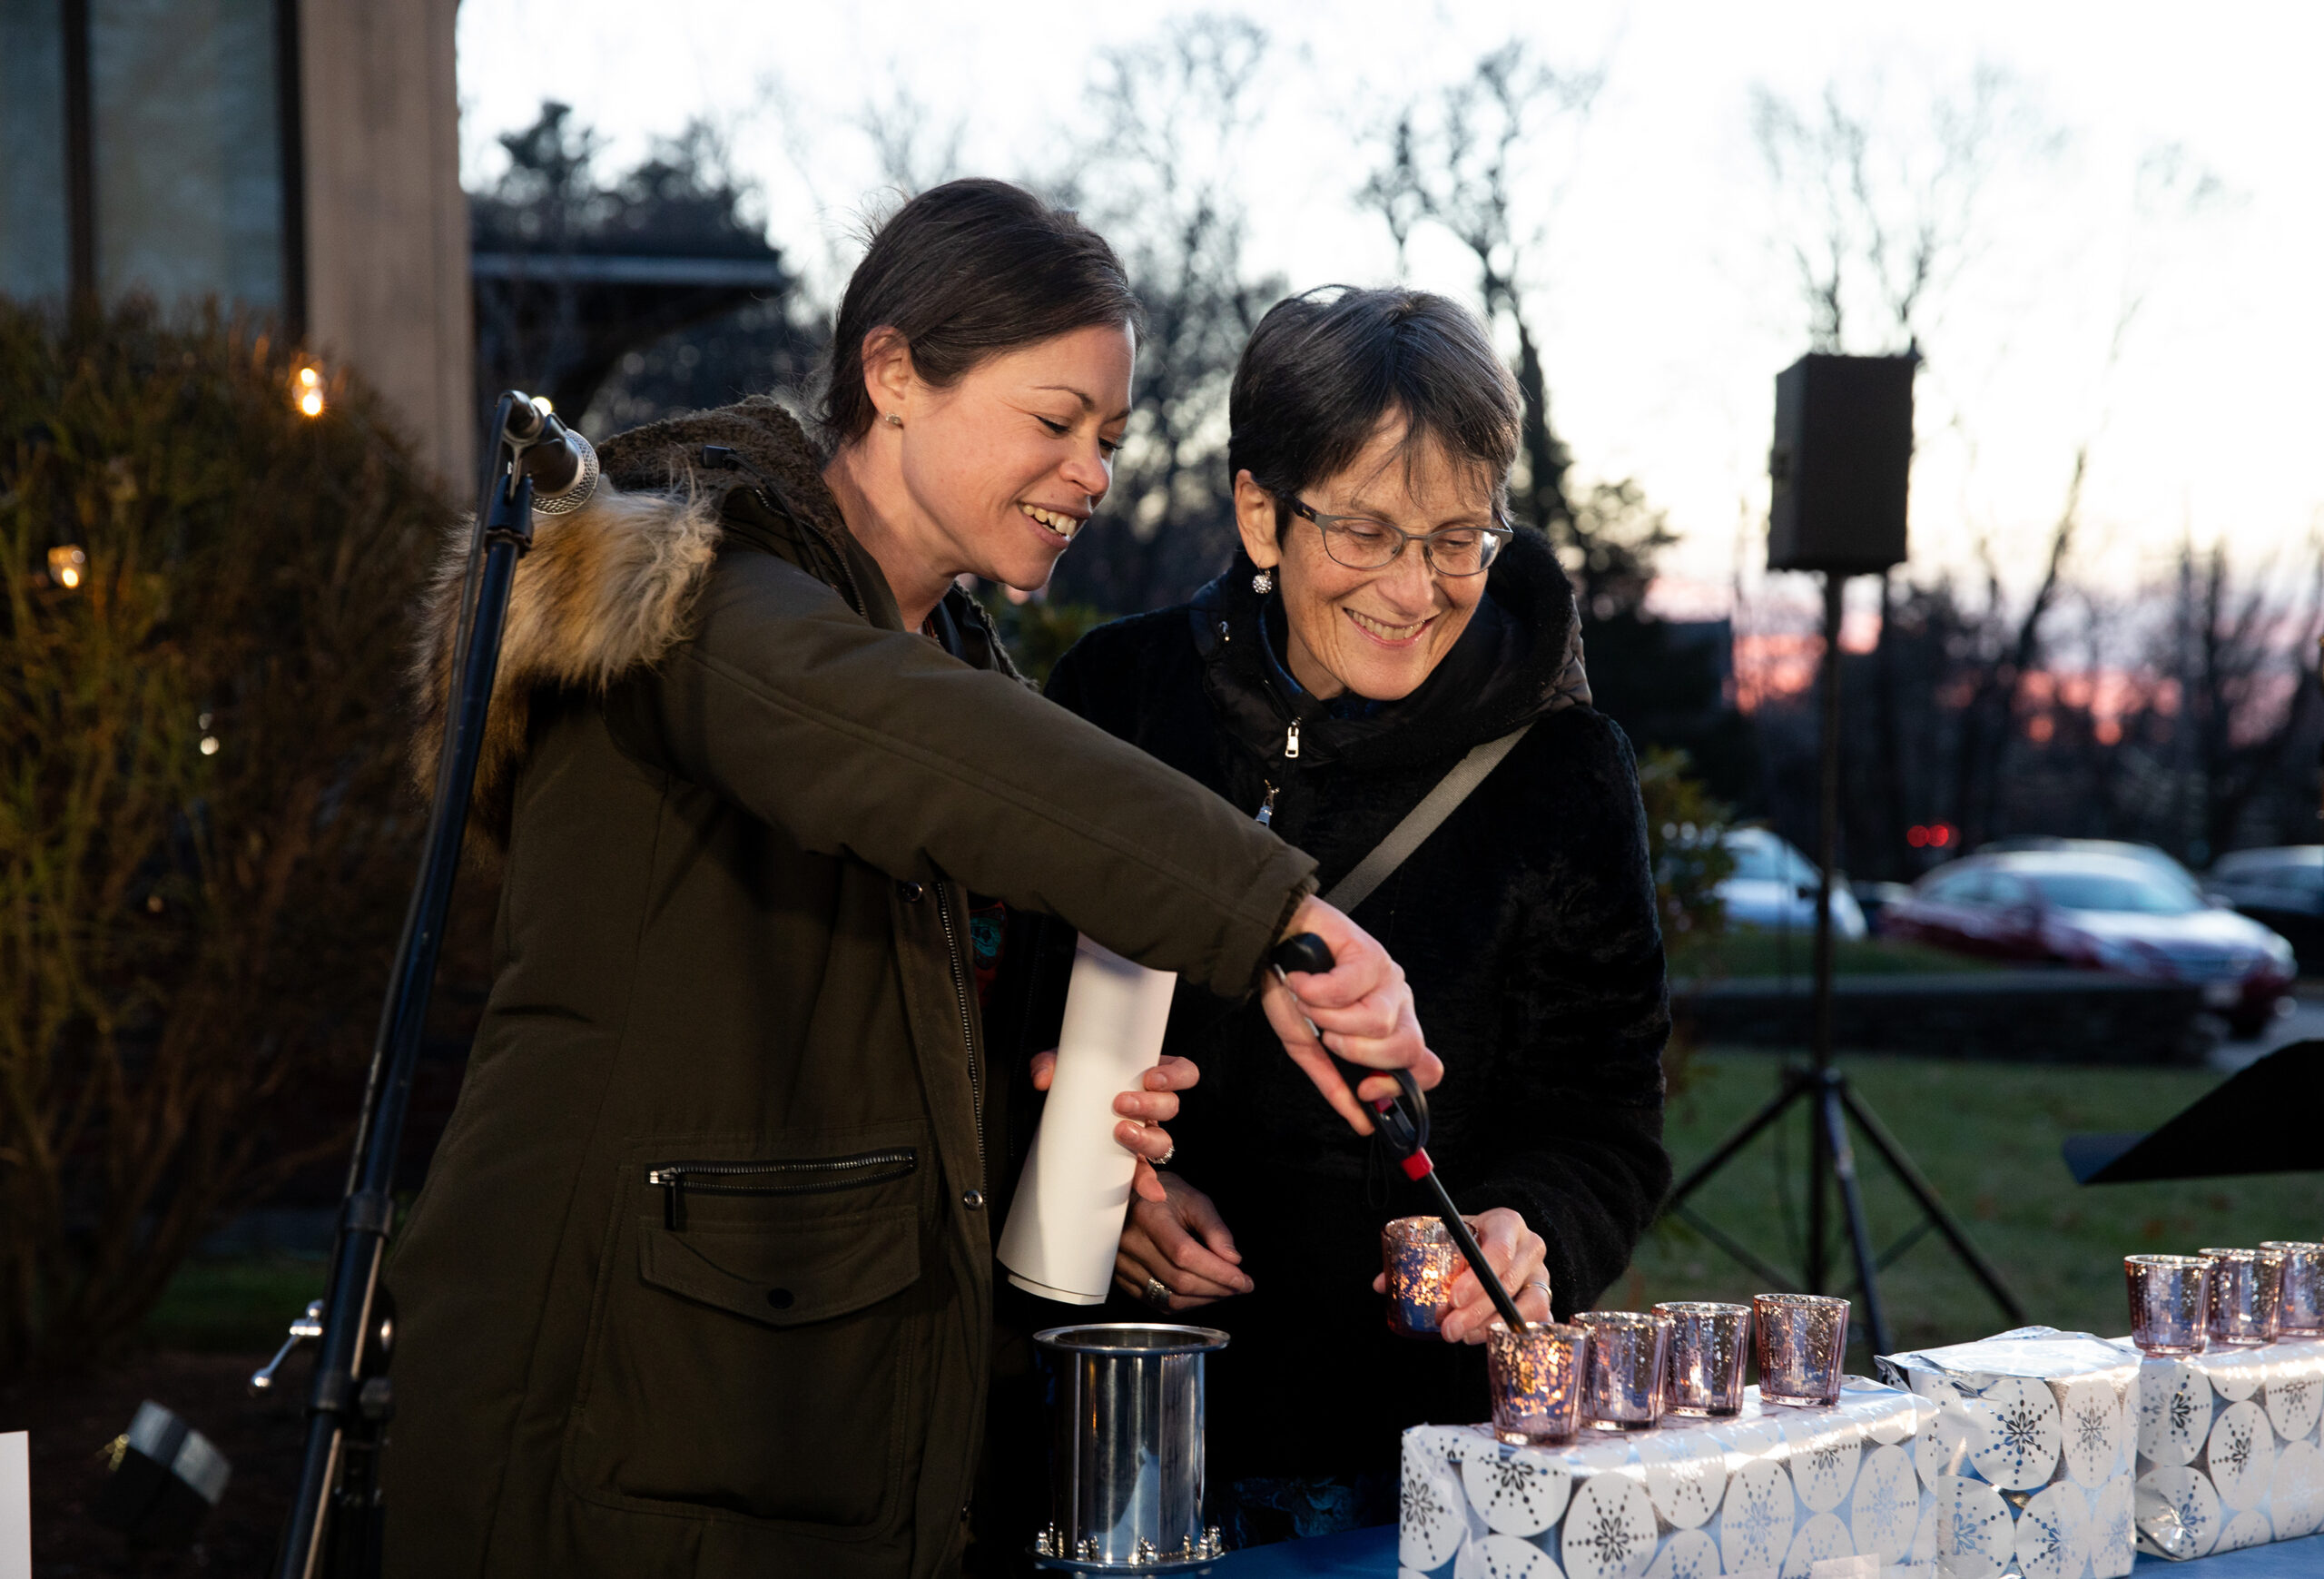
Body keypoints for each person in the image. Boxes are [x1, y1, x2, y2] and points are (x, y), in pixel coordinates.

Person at [378, 183, 1440, 1579]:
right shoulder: (697, 590)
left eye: (1111, 439)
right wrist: (1274, 920)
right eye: (1055, 421)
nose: (1093, 472)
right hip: (610, 1433)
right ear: (891, 375)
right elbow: (895, 742)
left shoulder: (948, 663)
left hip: (812, 1450)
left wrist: (1068, 1166)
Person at [1032, 286, 1671, 1542]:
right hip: (1132, 1433)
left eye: (1456, 539)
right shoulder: (1118, 699)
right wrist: (1106, 1196)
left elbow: (1609, 1124)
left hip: (1429, 1458)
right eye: (1366, 532)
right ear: (1261, 512)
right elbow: (1011, 1028)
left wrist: (1532, 1234)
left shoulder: (1564, 768)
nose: (1417, 588)